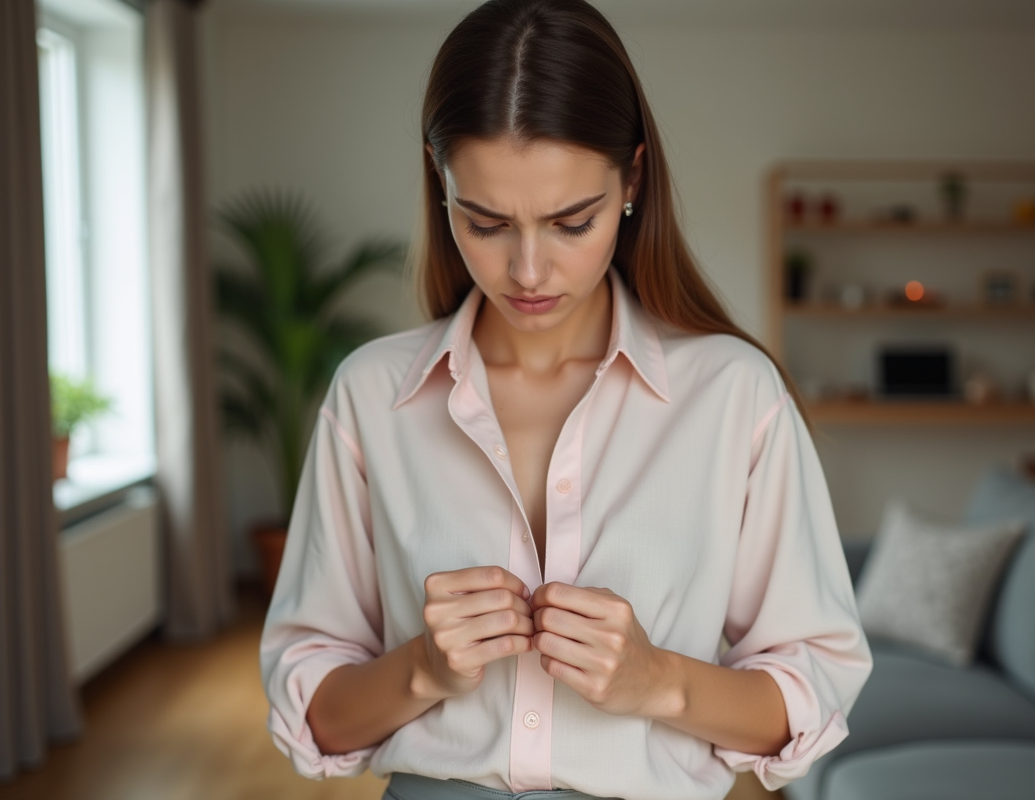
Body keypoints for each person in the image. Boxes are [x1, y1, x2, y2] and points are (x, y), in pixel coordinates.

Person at [259, 1, 872, 798]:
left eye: (571, 222)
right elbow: (318, 720)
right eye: (485, 223)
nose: (527, 271)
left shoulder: (735, 395)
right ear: (440, 187)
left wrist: (659, 681)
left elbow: (807, 699)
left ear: (633, 181)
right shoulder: (370, 396)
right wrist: (424, 669)